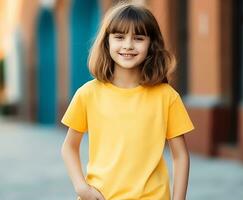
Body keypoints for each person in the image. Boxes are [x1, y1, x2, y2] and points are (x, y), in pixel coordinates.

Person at [61, 2, 194, 200]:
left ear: (151, 44)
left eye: (138, 38)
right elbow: (69, 147)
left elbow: (180, 156)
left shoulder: (167, 97)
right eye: (119, 37)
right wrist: (82, 188)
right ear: (107, 42)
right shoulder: (87, 94)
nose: (128, 45)